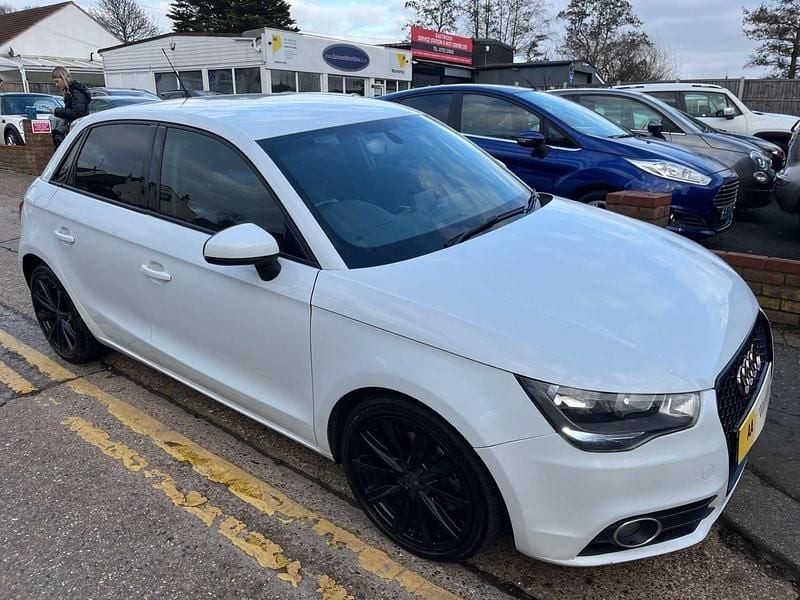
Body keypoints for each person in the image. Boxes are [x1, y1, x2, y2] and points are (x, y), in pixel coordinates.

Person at [49, 67, 90, 148]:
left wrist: (57, 111)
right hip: (77, 128)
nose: (56, 85)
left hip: (78, 128)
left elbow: (77, 112)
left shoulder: (75, 90)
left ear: (63, 78)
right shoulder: (72, 90)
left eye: (57, 81)